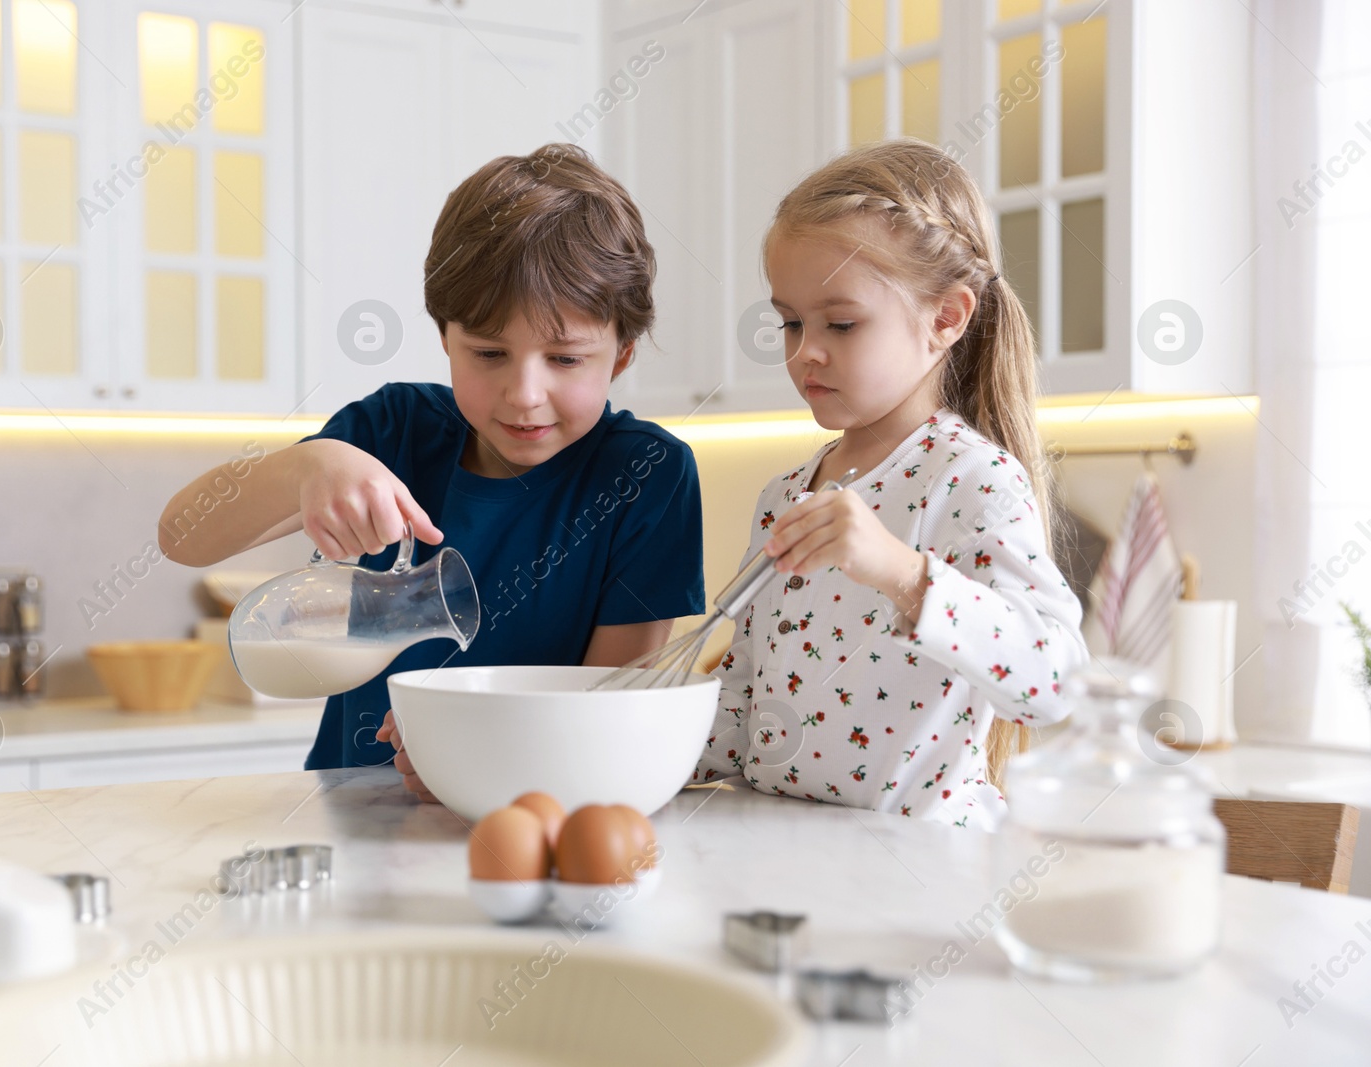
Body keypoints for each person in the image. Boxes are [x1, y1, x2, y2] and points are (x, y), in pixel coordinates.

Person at [162, 144, 706, 798]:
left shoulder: (647, 474)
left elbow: (614, 706)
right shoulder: (393, 431)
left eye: (564, 359)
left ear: (619, 356)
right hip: (356, 810)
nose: (524, 392)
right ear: (445, 337)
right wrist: (306, 466)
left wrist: (475, 760)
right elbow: (180, 537)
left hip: (540, 814)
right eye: (488, 352)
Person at [692, 139, 1086, 830]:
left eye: (840, 323)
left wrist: (904, 574)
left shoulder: (971, 481)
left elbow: (1054, 683)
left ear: (946, 318)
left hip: (919, 877)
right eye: (790, 321)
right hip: (779, 854)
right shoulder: (783, 496)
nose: (804, 349)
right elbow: (744, 709)